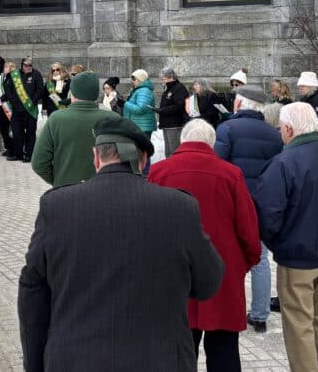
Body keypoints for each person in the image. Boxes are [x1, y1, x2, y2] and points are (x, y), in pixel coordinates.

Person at [18, 115, 225, 371]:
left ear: (96, 158)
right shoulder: (180, 207)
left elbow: (32, 295)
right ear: (143, 160)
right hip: (160, 360)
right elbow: (208, 284)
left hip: (76, 360)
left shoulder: (57, 206)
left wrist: (34, 364)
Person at [149, 119, 260, 371]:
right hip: (222, 272)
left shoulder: (158, 172)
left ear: (182, 140)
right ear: (211, 143)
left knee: (177, 353)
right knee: (224, 352)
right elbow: (249, 230)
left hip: (172, 274)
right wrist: (244, 263)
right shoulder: (231, 174)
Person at [253, 103, 318, 372]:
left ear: (288, 129)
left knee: (299, 328)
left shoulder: (284, 162)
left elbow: (267, 214)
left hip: (297, 259)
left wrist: (277, 244)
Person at [214, 84, 283, 333]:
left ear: (241, 104)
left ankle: (224, 308)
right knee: (260, 259)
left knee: (226, 256)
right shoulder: (274, 134)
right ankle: (260, 314)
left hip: (233, 203)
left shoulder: (227, 129)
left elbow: (217, 167)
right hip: (261, 203)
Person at [32, 72, 104, 186]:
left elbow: (38, 163)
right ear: (97, 93)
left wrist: (58, 180)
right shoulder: (113, 119)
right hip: (102, 189)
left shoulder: (56, 118)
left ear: (73, 93)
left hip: (65, 189)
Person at [2, 58, 45, 163]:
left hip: (31, 109)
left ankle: (30, 155)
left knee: (30, 133)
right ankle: (18, 154)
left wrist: (33, 101)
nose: (29, 67)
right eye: (26, 66)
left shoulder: (36, 74)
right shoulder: (14, 75)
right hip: (17, 110)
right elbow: (8, 88)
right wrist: (13, 101)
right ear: (22, 65)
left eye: (30, 65)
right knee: (17, 132)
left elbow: (40, 90)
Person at [155, 67, 188, 157]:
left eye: (164, 79)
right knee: (168, 152)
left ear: (171, 77)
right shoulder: (169, 88)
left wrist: (162, 110)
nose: (162, 81)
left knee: (174, 151)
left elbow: (179, 106)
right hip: (167, 124)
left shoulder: (179, 88)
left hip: (175, 124)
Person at [296, 71, 318, 143]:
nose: (300, 88)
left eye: (303, 86)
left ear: (311, 86)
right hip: (308, 138)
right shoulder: (305, 99)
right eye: (299, 86)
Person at [123, 69, 156, 138]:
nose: (132, 81)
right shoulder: (137, 90)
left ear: (140, 79)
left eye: (134, 79)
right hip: (138, 126)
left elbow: (140, 108)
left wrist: (124, 104)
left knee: (142, 148)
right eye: (132, 78)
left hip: (142, 127)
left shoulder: (144, 91)